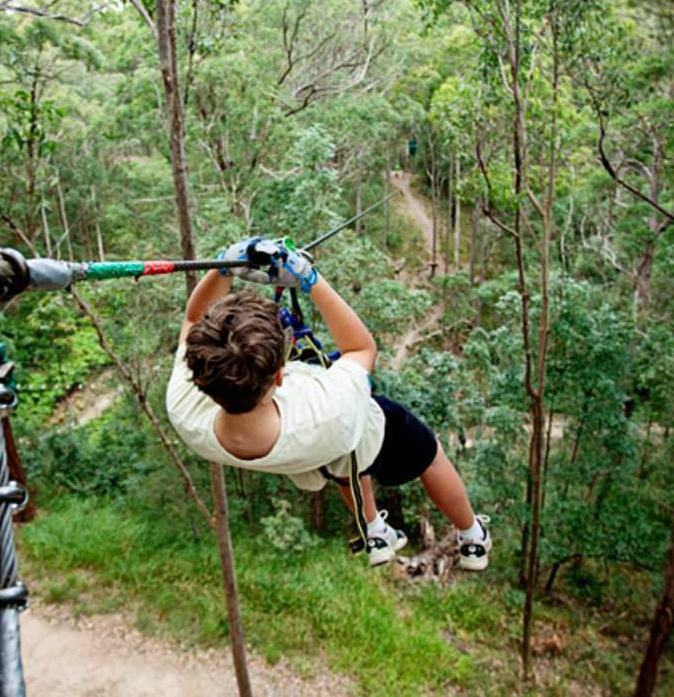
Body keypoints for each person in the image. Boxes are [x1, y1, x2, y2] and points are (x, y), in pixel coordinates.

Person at [165, 236, 491, 569]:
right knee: (428, 454)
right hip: (356, 434)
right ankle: (472, 535)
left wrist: (223, 267)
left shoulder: (186, 408)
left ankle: (374, 529)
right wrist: (308, 278)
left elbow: (193, 321)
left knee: (340, 463)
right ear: (279, 376)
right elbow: (362, 349)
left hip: (310, 455)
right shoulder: (326, 407)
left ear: (200, 374)